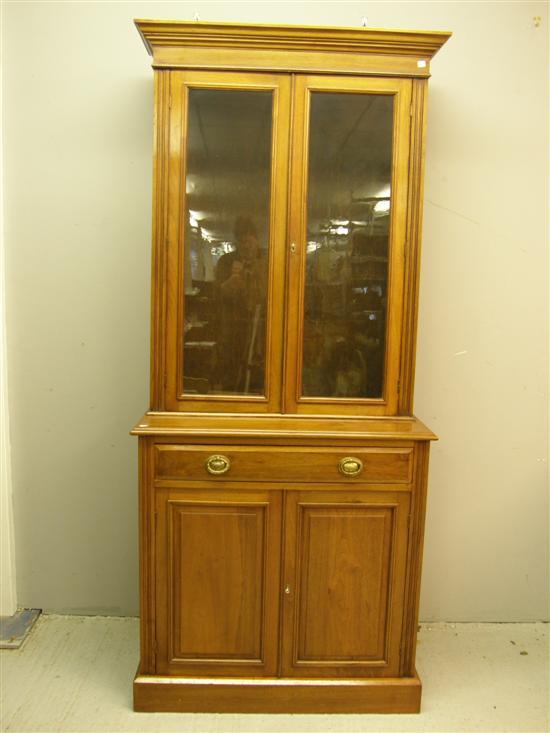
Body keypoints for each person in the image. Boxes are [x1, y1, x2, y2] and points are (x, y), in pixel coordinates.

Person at [215, 216, 266, 394]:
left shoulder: (269, 261)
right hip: (234, 330)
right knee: (233, 374)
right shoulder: (226, 262)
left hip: (264, 330)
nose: (246, 246)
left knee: (263, 376)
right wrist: (232, 281)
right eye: (242, 241)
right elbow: (218, 295)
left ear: (257, 240)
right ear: (236, 242)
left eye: (250, 241)